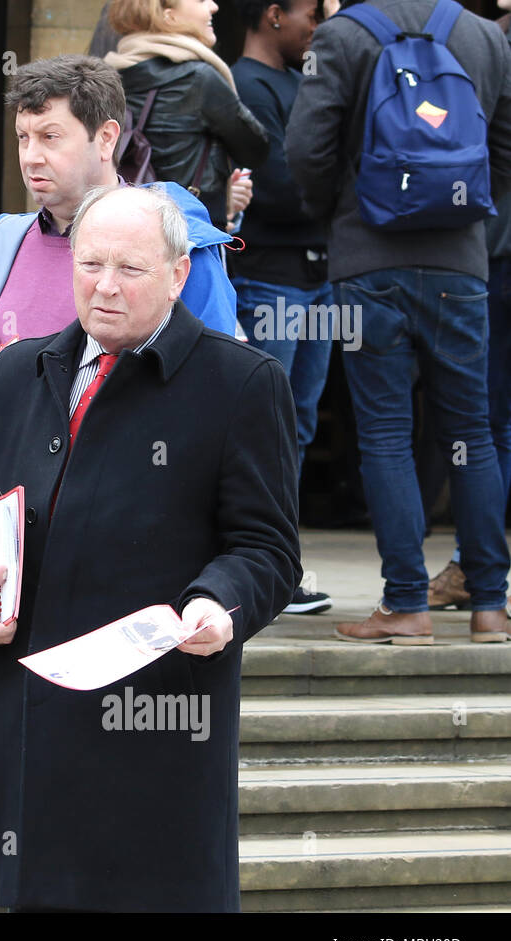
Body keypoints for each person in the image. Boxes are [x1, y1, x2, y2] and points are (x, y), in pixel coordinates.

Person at [0, 185, 301, 912]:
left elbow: (266, 548)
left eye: (129, 269)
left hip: (154, 737)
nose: (103, 286)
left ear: (178, 273)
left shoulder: (242, 384)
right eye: (90, 263)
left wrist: (219, 603)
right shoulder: (17, 373)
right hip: (24, 732)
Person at [288, 0, 511, 644]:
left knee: (386, 434)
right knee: (472, 432)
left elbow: (307, 146)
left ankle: (408, 604)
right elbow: (504, 147)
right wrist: (465, 216)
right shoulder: (483, 37)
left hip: (367, 263)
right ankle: (489, 606)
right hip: (462, 266)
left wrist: (338, 209)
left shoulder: (343, 35)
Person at [0, 55, 236, 475]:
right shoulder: (5, 241)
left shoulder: (177, 243)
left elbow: (215, 384)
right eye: (23, 137)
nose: (30, 156)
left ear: (105, 138)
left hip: (122, 504)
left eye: (50, 137)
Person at [232, 0, 334, 615]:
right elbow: (278, 191)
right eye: (311, 15)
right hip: (270, 280)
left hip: (318, 280)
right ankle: (264, 566)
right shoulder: (244, 85)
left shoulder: (303, 81)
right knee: (267, 428)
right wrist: (345, 188)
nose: (318, 28)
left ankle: (280, 566)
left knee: (297, 425)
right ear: (273, 15)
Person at [428, 0, 511, 614]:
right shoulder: (491, 37)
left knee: (485, 421)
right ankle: (481, 580)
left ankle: (475, 574)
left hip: (489, 252)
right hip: (485, 253)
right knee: (492, 422)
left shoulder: (484, 38)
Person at [105, 0, 269, 231]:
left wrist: (226, 193)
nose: (214, 6)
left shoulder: (107, 77)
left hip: (123, 224)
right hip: (191, 230)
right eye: (201, 0)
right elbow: (255, 148)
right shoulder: (199, 78)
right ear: (168, 16)